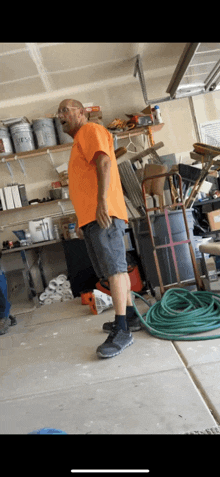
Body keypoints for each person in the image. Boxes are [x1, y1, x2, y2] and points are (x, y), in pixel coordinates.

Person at [56, 99, 140, 358]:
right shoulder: (80, 139)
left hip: (105, 214)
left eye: (65, 110)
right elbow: (86, 182)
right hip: (93, 218)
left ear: (81, 113)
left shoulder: (90, 130)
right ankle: (132, 317)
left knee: (114, 270)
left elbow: (104, 163)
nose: (60, 115)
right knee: (112, 270)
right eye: (58, 112)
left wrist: (102, 203)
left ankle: (123, 330)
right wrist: (83, 221)